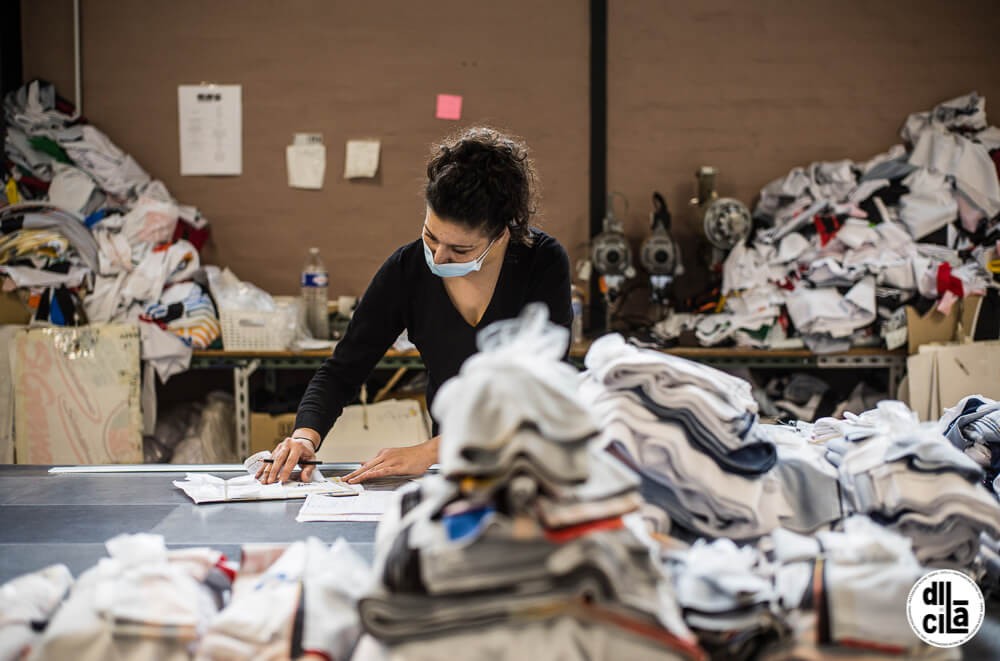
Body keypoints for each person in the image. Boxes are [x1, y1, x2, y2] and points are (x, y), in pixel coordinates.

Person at [260, 127, 572, 485]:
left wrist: (428, 451)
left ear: (501, 233)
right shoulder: (406, 270)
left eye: (460, 250)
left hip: (531, 463)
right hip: (453, 472)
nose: (438, 256)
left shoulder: (542, 264)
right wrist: (304, 436)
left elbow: (544, 394)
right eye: (430, 236)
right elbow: (343, 370)